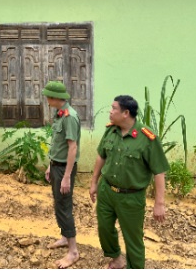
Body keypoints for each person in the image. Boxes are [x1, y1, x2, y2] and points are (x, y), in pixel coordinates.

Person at [89, 95, 169, 270]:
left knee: (133, 239)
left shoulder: (147, 138)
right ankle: (116, 258)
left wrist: (159, 203)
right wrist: (94, 182)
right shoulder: (111, 131)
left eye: (113, 108)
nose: (110, 112)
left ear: (126, 113)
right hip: (107, 190)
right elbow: (101, 156)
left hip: (131, 198)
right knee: (104, 228)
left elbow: (159, 171)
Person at [41, 81, 80, 269]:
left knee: (64, 206)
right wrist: (50, 165)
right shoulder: (59, 114)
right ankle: (65, 237)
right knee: (58, 203)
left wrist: (66, 176)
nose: (47, 100)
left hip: (65, 169)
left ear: (57, 98)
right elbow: (58, 144)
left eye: (49, 97)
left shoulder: (70, 117)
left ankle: (73, 251)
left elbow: (73, 147)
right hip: (56, 166)